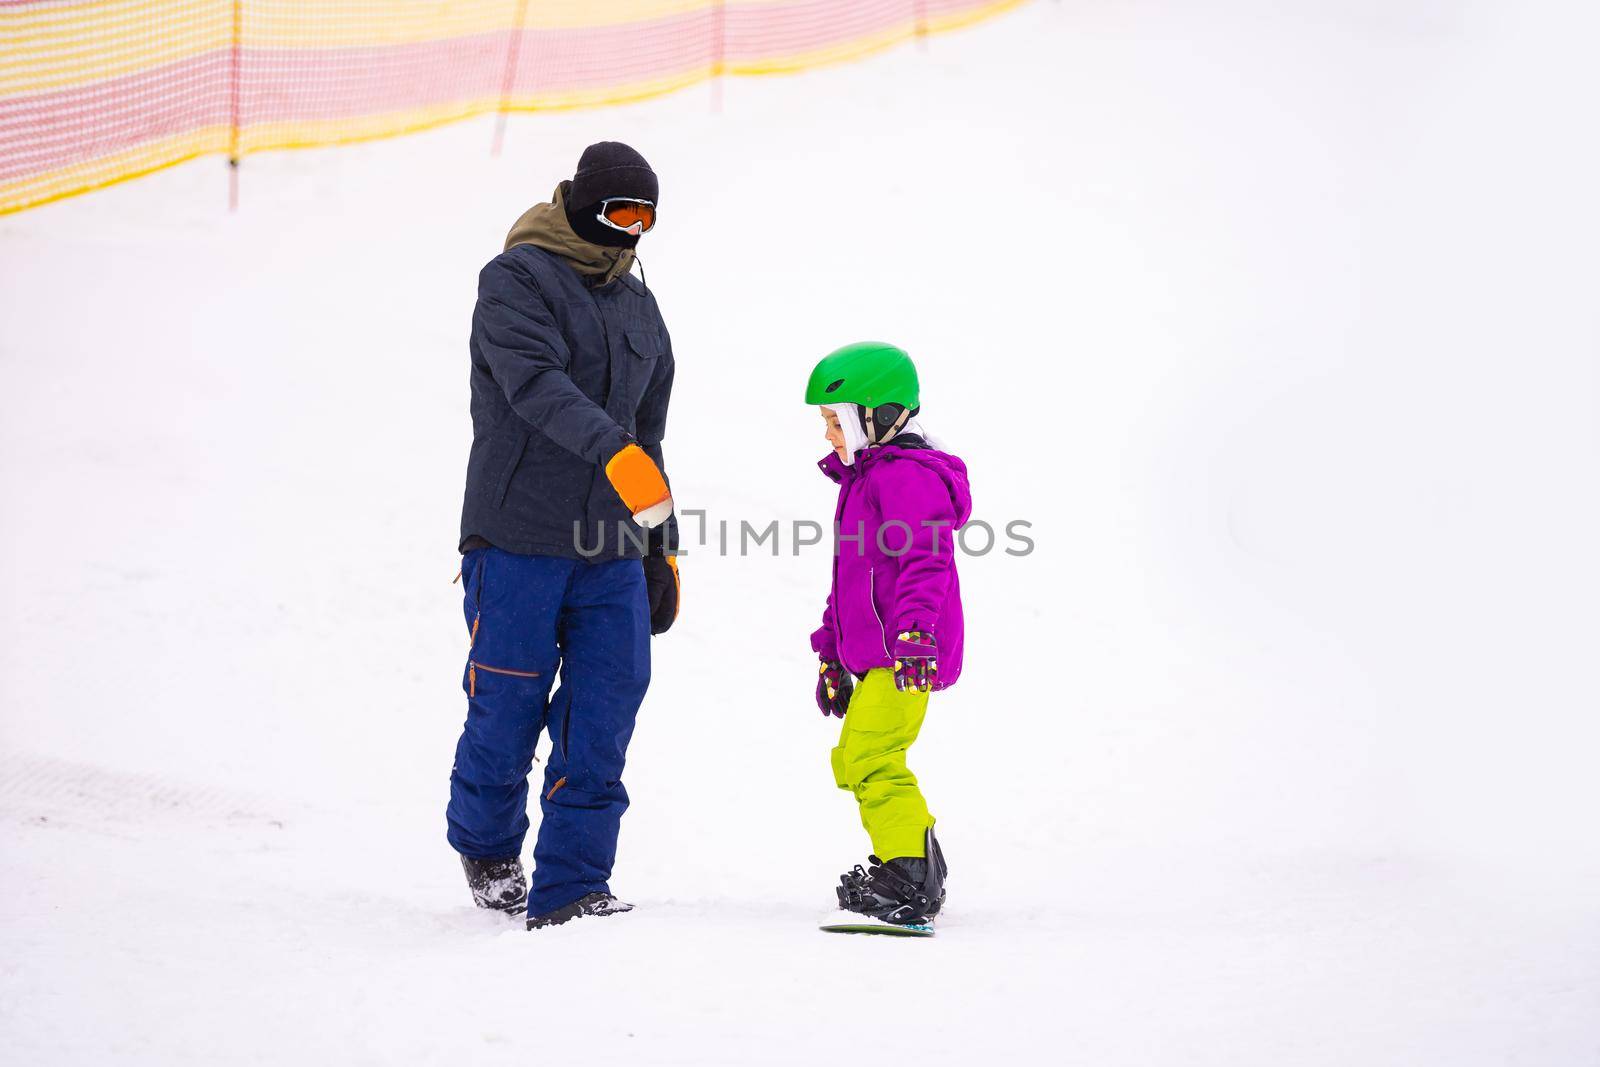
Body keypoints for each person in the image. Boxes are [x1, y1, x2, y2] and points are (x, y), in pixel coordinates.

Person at [450, 142, 680, 930]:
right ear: (583, 205)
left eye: (648, 218)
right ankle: (486, 844)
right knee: (506, 705)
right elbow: (534, 383)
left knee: (605, 708)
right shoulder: (514, 280)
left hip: (610, 550)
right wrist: (613, 449)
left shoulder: (641, 308)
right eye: (621, 213)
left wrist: (661, 544)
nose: (633, 233)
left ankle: (574, 886)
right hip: (517, 536)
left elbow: (649, 440)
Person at [805, 341, 970, 927]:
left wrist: (917, 635)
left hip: (905, 654)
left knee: (872, 756)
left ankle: (909, 878)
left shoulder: (904, 477)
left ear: (872, 414)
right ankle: (915, 863)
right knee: (858, 757)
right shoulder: (864, 480)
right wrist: (830, 651)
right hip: (880, 656)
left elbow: (927, 561)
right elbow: (849, 579)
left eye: (834, 420)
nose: (827, 434)